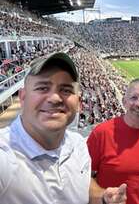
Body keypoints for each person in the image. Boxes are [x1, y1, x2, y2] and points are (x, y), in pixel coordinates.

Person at [0, 53, 126, 204]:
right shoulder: (4, 154)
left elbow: (83, 185)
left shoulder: (78, 144)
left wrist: (102, 197)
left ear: (79, 103)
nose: (54, 98)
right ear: (22, 97)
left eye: (66, 90)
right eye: (42, 88)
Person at [87, 78, 139, 204]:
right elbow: (84, 176)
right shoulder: (101, 133)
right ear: (124, 102)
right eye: (134, 98)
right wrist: (102, 197)